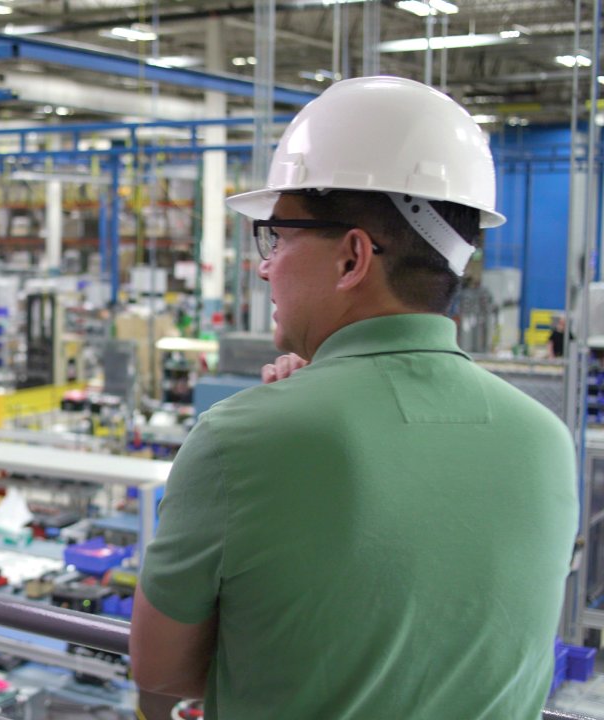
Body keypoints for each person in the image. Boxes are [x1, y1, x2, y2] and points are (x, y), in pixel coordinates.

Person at [130, 76, 577, 719]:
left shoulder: (242, 438)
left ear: (352, 258)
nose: (264, 265)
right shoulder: (544, 438)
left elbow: (163, 669)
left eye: (276, 236)